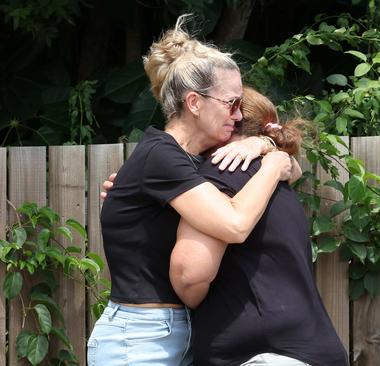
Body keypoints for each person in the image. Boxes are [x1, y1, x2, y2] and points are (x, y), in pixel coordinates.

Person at [87, 15, 293, 366]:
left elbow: (296, 171)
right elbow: (234, 225)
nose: (238, 115)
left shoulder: (188, 162)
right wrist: (273, 164)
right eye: (232, 103)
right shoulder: (161, 157)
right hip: (140, 340)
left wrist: (263, 145)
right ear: (195, 103)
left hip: (175, 334)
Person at [169, 86, 350, 366]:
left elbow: (189, 274)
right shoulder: (272, 173)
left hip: (265, 357)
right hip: (309, 348)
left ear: (226, 123)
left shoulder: (223, 172)